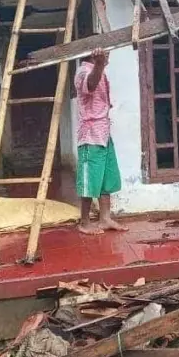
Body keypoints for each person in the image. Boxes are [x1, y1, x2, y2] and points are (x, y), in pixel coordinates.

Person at [74, 48, 128, 235]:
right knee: (90, 179)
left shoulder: (98, 69)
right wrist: (99, 64)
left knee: (106, 178)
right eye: (106, 53)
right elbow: (90, 84)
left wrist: (100, 65)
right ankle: (85, 222)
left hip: (103, 133)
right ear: (94, 55)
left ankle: (105, 218)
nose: (109, 56)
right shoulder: (83, 71)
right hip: (91, 135)